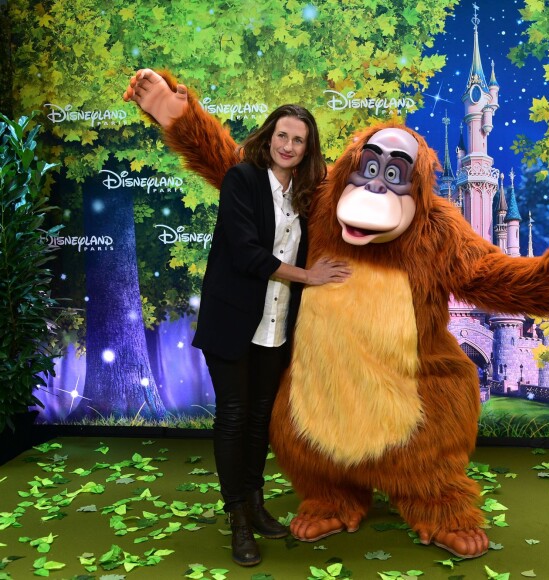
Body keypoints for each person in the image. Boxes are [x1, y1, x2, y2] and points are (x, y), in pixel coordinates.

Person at [123, 70, 351, 567]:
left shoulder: (307, 195)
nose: (288, 145)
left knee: (257, 422)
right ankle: (237, 520)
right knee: (232, 418)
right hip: (233, 323)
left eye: (298, 140)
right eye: (282, 135)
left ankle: (255, 502)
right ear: (269, 136)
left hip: (275, 326)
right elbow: (248, 254)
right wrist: (309, 277)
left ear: (308, 149)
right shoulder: (242, 178)